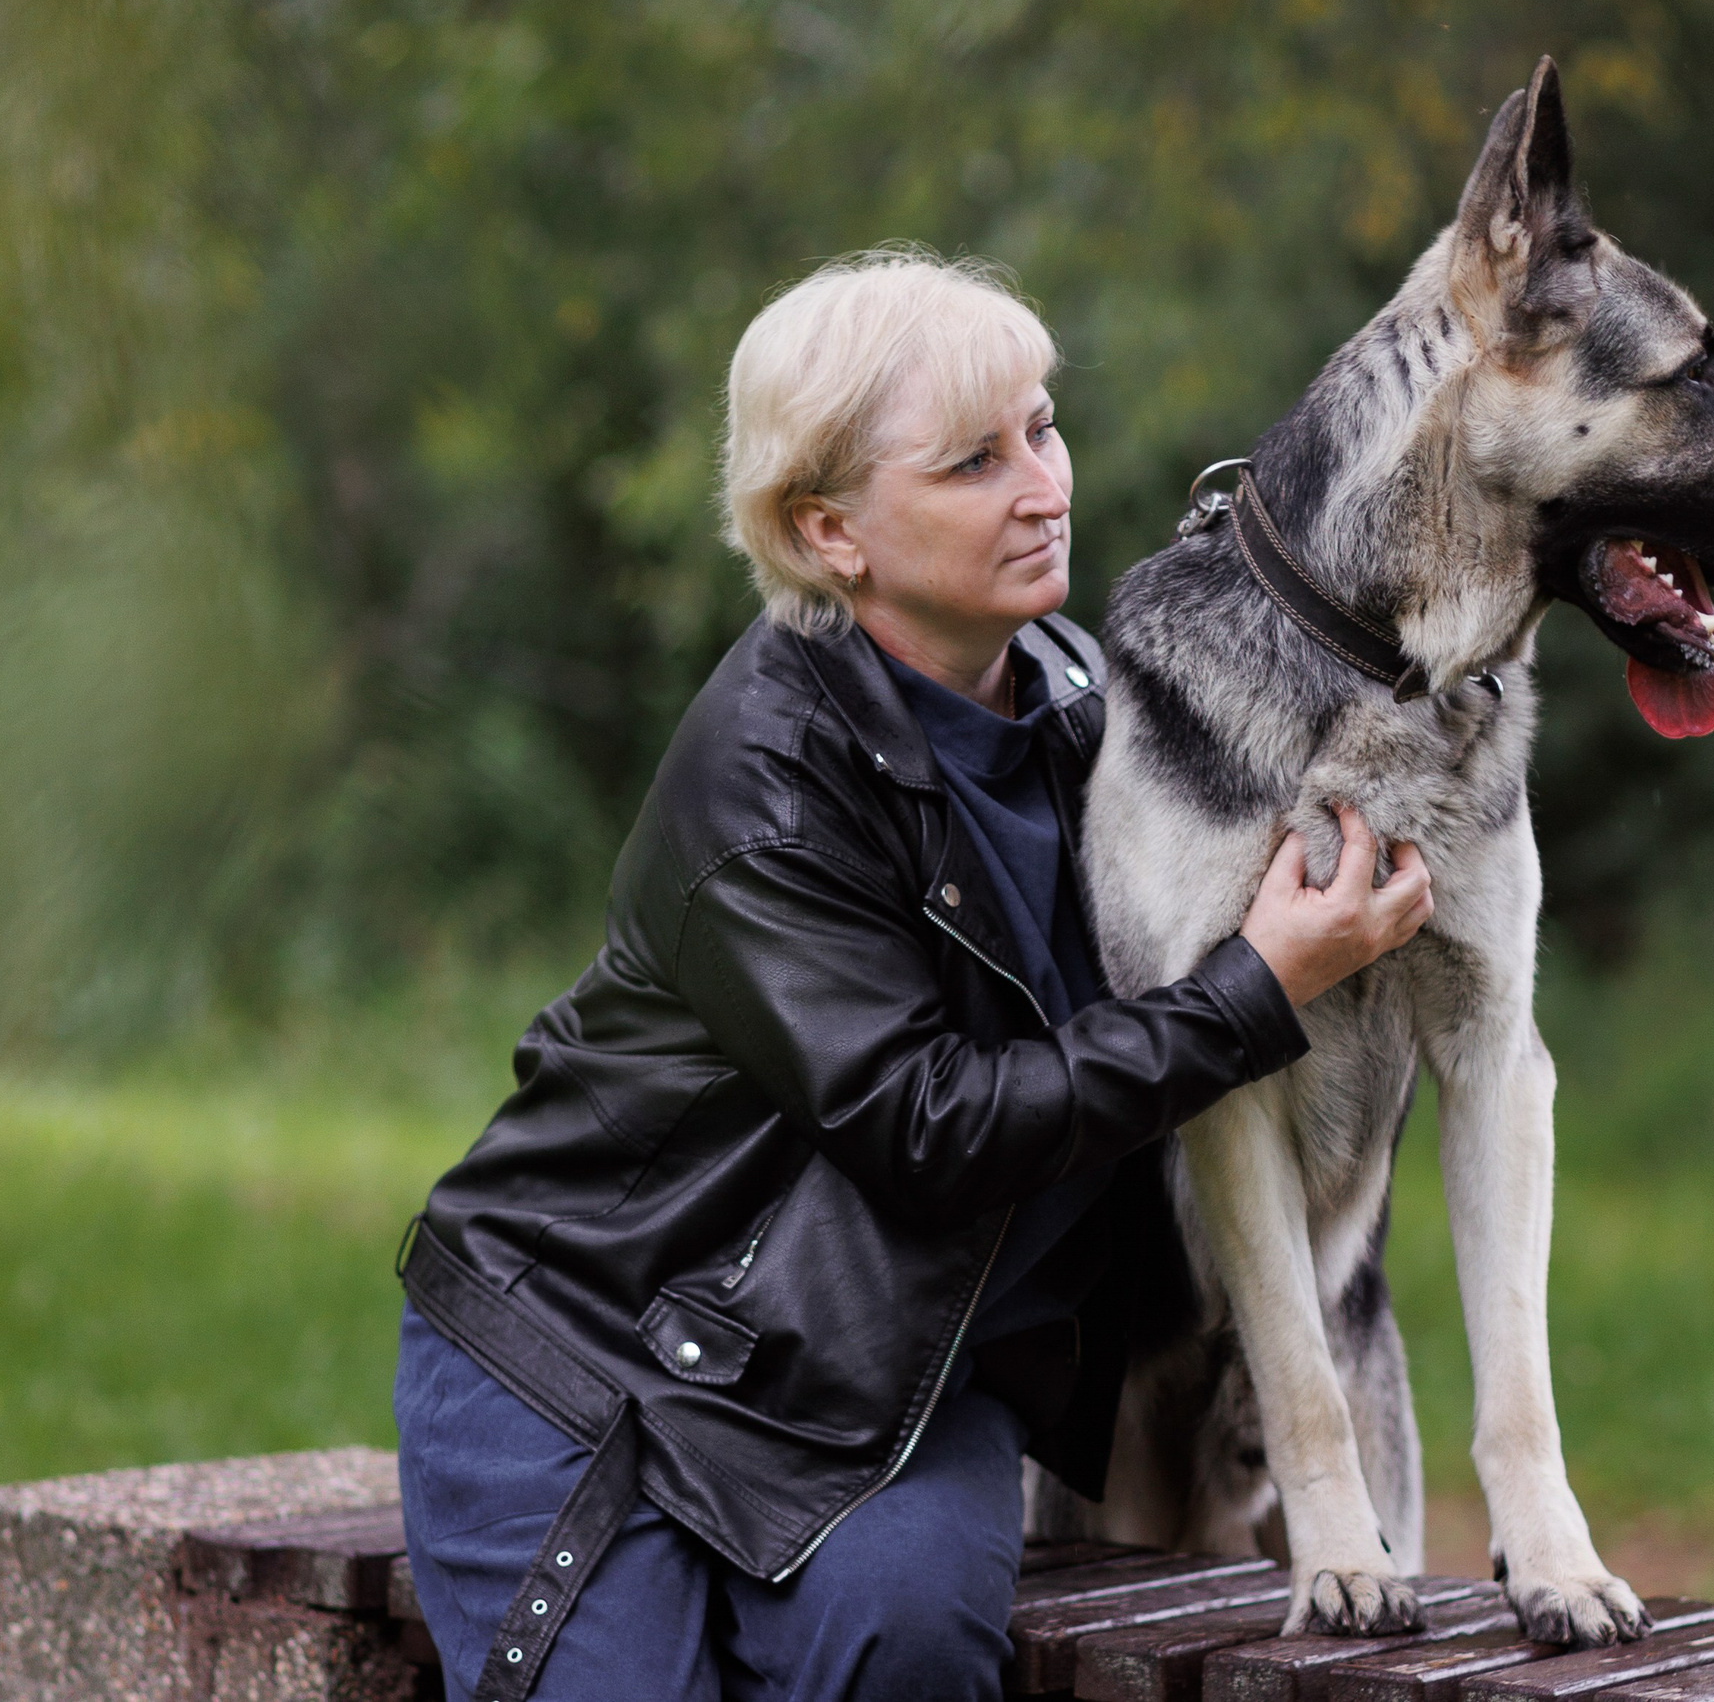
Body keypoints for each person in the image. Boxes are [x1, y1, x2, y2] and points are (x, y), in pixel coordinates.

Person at [392, 249, 1432, 1702]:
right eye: (972, 462)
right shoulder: (761, 777)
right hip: (594, 1347)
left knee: (916, 1653)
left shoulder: (1092, 710)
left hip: (901, 1367)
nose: (1042, 484)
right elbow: (927, 1125)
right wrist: (1252, 989)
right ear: (831, 532)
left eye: (1043, 429)